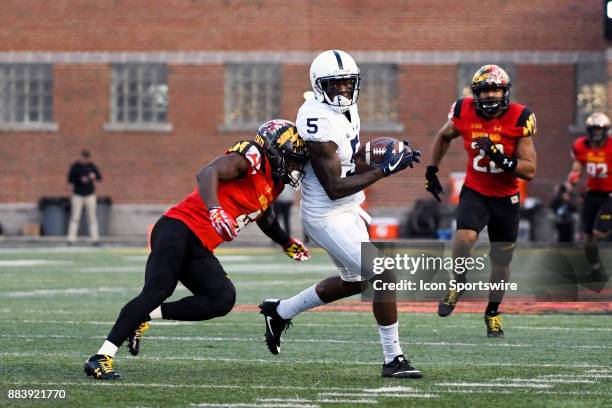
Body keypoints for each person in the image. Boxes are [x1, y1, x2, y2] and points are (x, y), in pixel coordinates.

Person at [84, 119, 310, 380]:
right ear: (273, 149)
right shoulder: (252, 156)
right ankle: (101, 357)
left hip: (199, 244)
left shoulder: (274, 183)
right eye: (291, 159)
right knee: (157, 290)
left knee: (221, 298)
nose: (294, 166)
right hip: (178, 228)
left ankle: (144, 316)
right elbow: (207, 173)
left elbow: (264, 215)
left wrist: (285, 241)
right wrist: (215, 209)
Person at [259, 50, 423, 379]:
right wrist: (384, 170)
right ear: (319, 87)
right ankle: (394, 359)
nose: (344, 91)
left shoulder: (347, 107)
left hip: (349, 208)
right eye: (336, 85)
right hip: (326, 214)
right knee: (383, 276)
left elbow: (352, 157)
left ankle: (280, 311)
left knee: (356, 281)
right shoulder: (314, 118)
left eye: (349, 83)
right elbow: (334, 185)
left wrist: (389, 152)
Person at [425, 64, 537, 337]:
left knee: (500, 262)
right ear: (476, 94)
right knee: (463, 238)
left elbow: (529, 170)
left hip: (506, 197)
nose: (490, 96)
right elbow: (443, 135)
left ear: (505, 91)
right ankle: (458, 283)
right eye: (485, 91)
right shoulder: (463, 112)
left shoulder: (519, 117)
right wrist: (432, 169)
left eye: (495, 90)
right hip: (475, 190)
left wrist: (500, 157)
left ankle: (492, 313)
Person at [566, 112, 612, 278]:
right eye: (594, 130)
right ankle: (595, 268)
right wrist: (574, 176)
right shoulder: (581, 145)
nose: (597, 133)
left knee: (600, 231)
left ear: (606, 130)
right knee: (588, 236)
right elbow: (577, 167)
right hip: (592, 194)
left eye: (600, 130)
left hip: (609, 194)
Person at [67, 150, 102, 244]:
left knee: (92, 217)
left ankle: (95, 239)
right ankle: (71, 239)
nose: (85, 159)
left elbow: (99, 177)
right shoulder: (75, 166)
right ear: (81, 157)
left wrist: (93, 176)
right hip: (78, 195)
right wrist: (80, 179)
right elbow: (70, 179)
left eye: (87, 157)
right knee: (75, 217)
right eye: (84, 157)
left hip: (90, 195)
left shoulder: (91, 166)